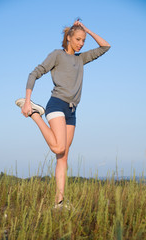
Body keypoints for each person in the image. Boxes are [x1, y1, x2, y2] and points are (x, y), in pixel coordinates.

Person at [16, 19, 111, 209]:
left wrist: (87, 30)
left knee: (63, 157)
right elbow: (34, 73)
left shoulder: (81, 58)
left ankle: (59, 203)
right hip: (56, 104)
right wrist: (27, 101)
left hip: (72, 110)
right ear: (68, 38)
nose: (81, 43)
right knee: (59, 148)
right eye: (78, 39)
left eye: (83, 40)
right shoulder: (57, 55)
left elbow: (105, 46)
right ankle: (36, 114)